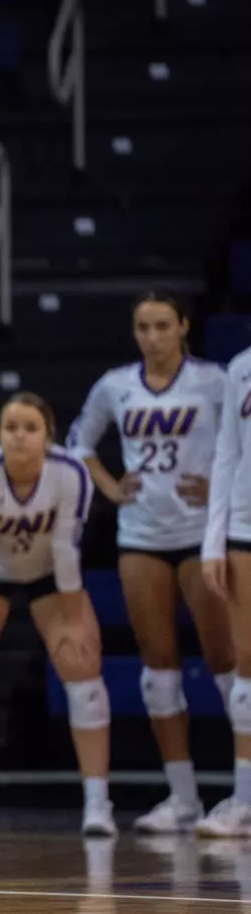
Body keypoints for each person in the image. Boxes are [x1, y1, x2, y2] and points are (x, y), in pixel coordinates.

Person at [66, 294, 233, 834]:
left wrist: (220, 486)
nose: (152, 336)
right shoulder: (115, 385)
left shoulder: (215, 380)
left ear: (184, 326)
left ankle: (245, 792)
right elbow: (79, 443)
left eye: (162, 325)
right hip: (140, 534)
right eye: (142, 327)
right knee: (156, 667)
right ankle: (182, 795)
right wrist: (113, 487)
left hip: (202, 532)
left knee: (225, 658)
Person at [0, 394, 112, 836]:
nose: (19, 436)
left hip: (51, 569)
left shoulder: (70, 472)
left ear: (48, 436)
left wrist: (73, 619)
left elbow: (65, 549)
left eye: (30, 427)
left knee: (81, 663)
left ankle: (97, 803)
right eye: (10, 427)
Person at [199, 337, 251, 836]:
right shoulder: (242, 366)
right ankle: (245, 797)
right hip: (244, 528)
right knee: (247, 661)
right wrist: (213, 541)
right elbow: (227, 454)